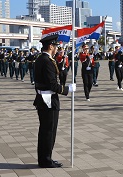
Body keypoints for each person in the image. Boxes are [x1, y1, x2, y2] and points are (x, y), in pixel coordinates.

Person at [33, 34, 76, 168]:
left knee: (46, 131)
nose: (57, 48)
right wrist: (67, 89)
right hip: (48, 100)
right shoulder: (46, 61)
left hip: (44, 98)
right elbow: (52, 84)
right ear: (50, 46)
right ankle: (46, 160)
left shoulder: (42, 59)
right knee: (49, 131)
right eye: (56, 46)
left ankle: (45, 158)